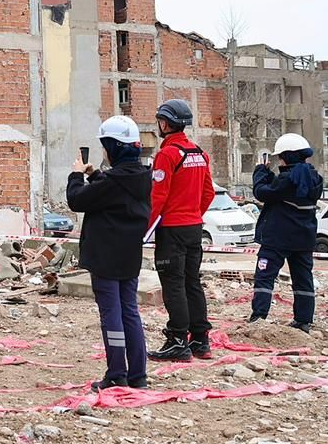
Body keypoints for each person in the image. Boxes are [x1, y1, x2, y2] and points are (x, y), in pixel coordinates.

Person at [66, 116, 153, 390]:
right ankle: (137, 374)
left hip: (105, 256)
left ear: (114, 147)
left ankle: (117, 372)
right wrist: (95, 175)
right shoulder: (140, 177)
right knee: (130, 311)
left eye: (106, 147)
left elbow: (77, 199)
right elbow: (114, 192)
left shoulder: (114, 182)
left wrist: (77, 175)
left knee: (111, 314)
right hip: (129, 254)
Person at [146, 99, 216, 362]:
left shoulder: (167, 155)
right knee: (191, 282)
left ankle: (177, 340)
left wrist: (142, 231)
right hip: (194, 227)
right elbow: (208, 192)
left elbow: (157, 197)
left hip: (172, 230)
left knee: (173, 285)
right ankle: (200, 339)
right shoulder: (198, 153)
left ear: (165, 123)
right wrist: (194, 213)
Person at [248, 133, 325, 331]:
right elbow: (281, 190)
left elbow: (263, 192)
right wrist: (270, 177)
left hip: (278, 238)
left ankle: (259, 317)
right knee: (303, 279)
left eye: (281, 157)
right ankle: (303, 320)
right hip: (304, 238)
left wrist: (260, 171)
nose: (279, 161)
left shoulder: (288, 179)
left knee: (264, 277)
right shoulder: (313, 178)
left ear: (288, 156)